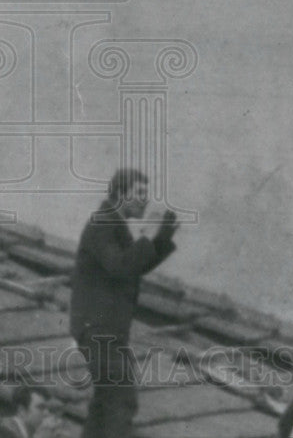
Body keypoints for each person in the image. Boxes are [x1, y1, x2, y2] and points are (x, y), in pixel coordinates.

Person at [69, 169, 180, 438]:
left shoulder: (113, 224)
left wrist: (161, 240)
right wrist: (148, 238)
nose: (145, 199)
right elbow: (120, 266)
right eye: (139, 192)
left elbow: (131, 266)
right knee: (121, 400)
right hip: (100, 332)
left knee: (105, 404)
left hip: (106, 333)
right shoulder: (103, 222)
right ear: (120, 194)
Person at [0, 385, 69, 438]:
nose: (46, 413)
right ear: (22, 411)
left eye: (47, 409)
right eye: (40, 408)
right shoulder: (6, 428)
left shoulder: (28, 433)